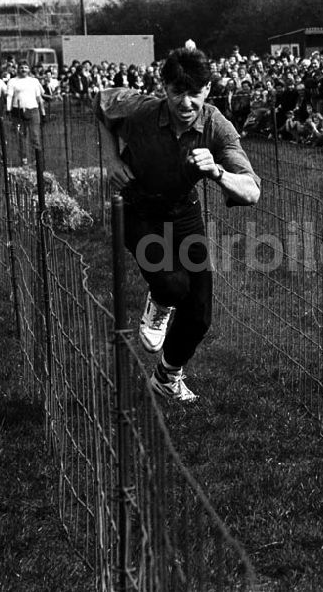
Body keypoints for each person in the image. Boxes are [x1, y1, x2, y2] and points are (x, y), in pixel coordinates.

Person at [95, 46, 261, 402]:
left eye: (195, 93)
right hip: (136, 208)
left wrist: (217, 172)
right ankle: (159, 303)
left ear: (208, 88)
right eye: (177, 93)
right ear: (164, 88)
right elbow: (101, 103)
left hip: (184, 213)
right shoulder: (141, 109)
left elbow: (251, 192)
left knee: (199, 314)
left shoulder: (216, 125)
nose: (186, 103)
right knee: (172, 284)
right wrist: (110, 158)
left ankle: (167, 377)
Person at [6, 61, 46, 165]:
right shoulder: (12, 81)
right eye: (21, 68)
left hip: (33, 110)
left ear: (29, 69)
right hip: (17, 110)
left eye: (26, 67)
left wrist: (43, 112)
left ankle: (37, 159)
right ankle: (23, 159)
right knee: (20, 136)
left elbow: (39, 98)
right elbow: (9, 97)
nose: (23, 70)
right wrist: (8, 109)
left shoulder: (34, 81)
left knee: (35, 135)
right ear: (18, 69)